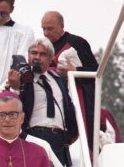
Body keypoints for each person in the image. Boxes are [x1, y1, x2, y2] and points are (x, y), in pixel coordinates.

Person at [6, 38, 78, 167]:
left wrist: (72, 134)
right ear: (28, 56)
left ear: (51, 59)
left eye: (43, 54)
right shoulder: (20, 79)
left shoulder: (58, 79)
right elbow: (8, 106)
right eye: (34, 53)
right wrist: (14, 88)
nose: (37, 57)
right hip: (33, 136)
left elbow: (68, 107)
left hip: (59, 140)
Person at [42, 11, 98, 149]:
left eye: (50, 28)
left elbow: (95, 71)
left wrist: (75, 71)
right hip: (54, 102)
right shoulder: (44, 47)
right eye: (43, 28)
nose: (46, 33)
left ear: (62, 26)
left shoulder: (78, 43)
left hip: (79, 100)